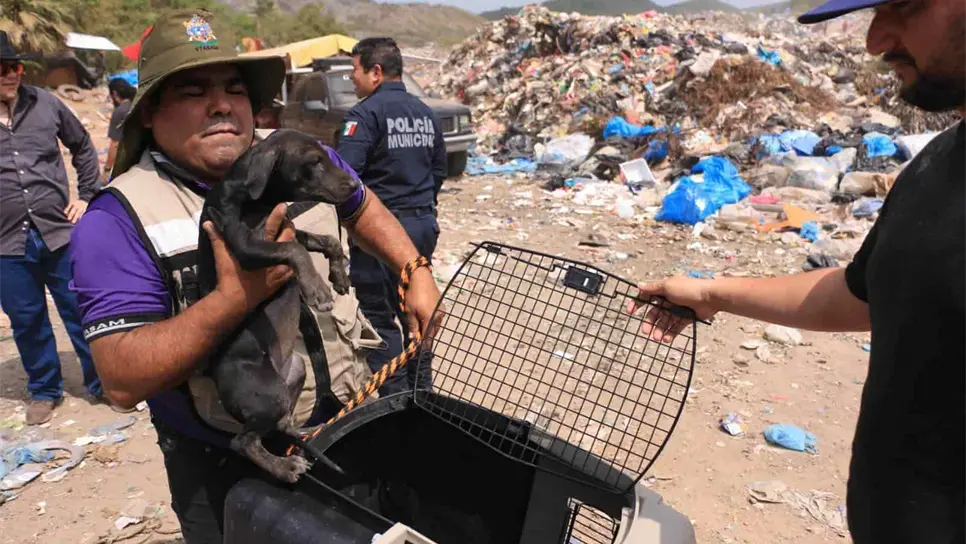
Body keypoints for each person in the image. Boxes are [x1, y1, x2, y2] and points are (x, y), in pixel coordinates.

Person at [69, 9, 442, 543]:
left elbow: (361, 204)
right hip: (228, 463)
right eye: (193, 91)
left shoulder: (295, 155)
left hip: (348, 424)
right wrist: (232, 300)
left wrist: (414, 268)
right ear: (148, 111)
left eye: (234, 88)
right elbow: (122, 380)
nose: (221, 104)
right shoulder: (116, 221)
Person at [632, 1, 966, 542]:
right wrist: (711, 292)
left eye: (905, 6)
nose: (875, 40)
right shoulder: (938, 164)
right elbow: (865, 294)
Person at [0, 30, 114, 426]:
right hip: (6, 243)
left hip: (58, 232)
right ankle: (45, 390)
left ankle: (102, 382)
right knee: (27, 318)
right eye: (2, 70)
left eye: (14, 67)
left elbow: (83, 146)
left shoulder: (46, 103)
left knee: (81, 309)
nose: (11, 75)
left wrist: (86, 195)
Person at [337, 37, 447, 395]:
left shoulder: (365, 115)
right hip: (421, 224)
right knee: (416, 312)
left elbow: (346, 178)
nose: (351, 79)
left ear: (376, 72)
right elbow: (439, 171)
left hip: (381, 233)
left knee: (377, 316)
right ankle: (423, 393)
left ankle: (396, 400)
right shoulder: (426, 113)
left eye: (354, 69)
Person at [103, 77, 136, 182]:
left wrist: (107, 169)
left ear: (115, 94)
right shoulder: (135, 105)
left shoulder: (119, 112)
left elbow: (115, 144)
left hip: (127, 165)